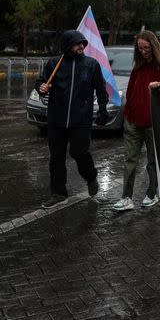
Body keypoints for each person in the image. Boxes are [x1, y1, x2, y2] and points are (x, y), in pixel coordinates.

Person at [36, 30, 109, 209]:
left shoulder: (91, 64)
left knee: (79, 152)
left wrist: (102, 111)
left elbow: (101, 90)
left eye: (83, 43)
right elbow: (40, 82)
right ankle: (58, 193)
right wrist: (41, 87)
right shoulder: (54, 63)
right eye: (78, 43)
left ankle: (91, 176)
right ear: (68, 45)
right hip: (56, 120)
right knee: (56, 158)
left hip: (80, 121)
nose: (82, 46)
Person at [113, 31, 160, 212]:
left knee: (152, 162)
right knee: (129, 160)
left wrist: (159, 89)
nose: (143, 51)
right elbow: (131, 92)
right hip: (133, 122)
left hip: (154, 124)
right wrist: (128, 115)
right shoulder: (137, 68)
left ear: (154, 47)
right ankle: (126, 197)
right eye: (140, 48)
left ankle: (151, 193)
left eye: (146, 48)